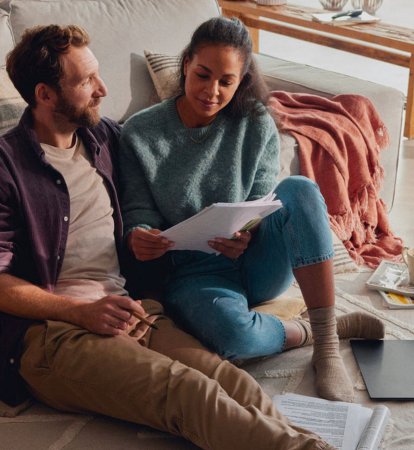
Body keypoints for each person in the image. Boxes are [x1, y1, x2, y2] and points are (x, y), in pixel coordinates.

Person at [0, 23, 336, 450]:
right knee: (188, 393)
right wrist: (80, 312)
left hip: (134, 310)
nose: (103, 89)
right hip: (53, 333)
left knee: (231, 380)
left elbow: (156, 185)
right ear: (45, 94)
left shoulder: (104, 139)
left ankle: (318, 439)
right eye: (86, 81)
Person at [119, 17, 385, 403]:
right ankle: (308, 330)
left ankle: (326, 349)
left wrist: (248, 234)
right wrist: (138, 235)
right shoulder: (140, 133)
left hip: (256, 262)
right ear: (185, 64)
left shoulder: (255, 121)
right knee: (236, 340)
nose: (211, 91)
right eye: (202, 75)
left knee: (300, 188)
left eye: (226, 81)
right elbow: (137, 210)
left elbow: (265, 201)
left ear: (241, 81)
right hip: (192, 272)